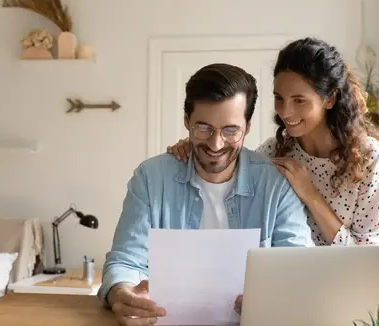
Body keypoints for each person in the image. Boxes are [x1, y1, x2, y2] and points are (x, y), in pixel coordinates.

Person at [97, 63, 314, 325]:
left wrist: (271, 299)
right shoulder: (151, 178)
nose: (216, 143)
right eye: (204, 128)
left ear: (247, 126)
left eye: (230, 130)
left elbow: (298, 269)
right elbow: (125, 261)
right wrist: (122, 294)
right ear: (186, 120)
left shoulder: (276, 185)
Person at [167, 37, 379, 247]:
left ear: (330, 99)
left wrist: (309, 194)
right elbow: (224, 165)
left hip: (344, 286)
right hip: (286, 281)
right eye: (279, 98)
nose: (285, 111)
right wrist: (196, 146)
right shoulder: (274, 152)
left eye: (299, 100)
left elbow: (364, 255)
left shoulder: (370, 159)